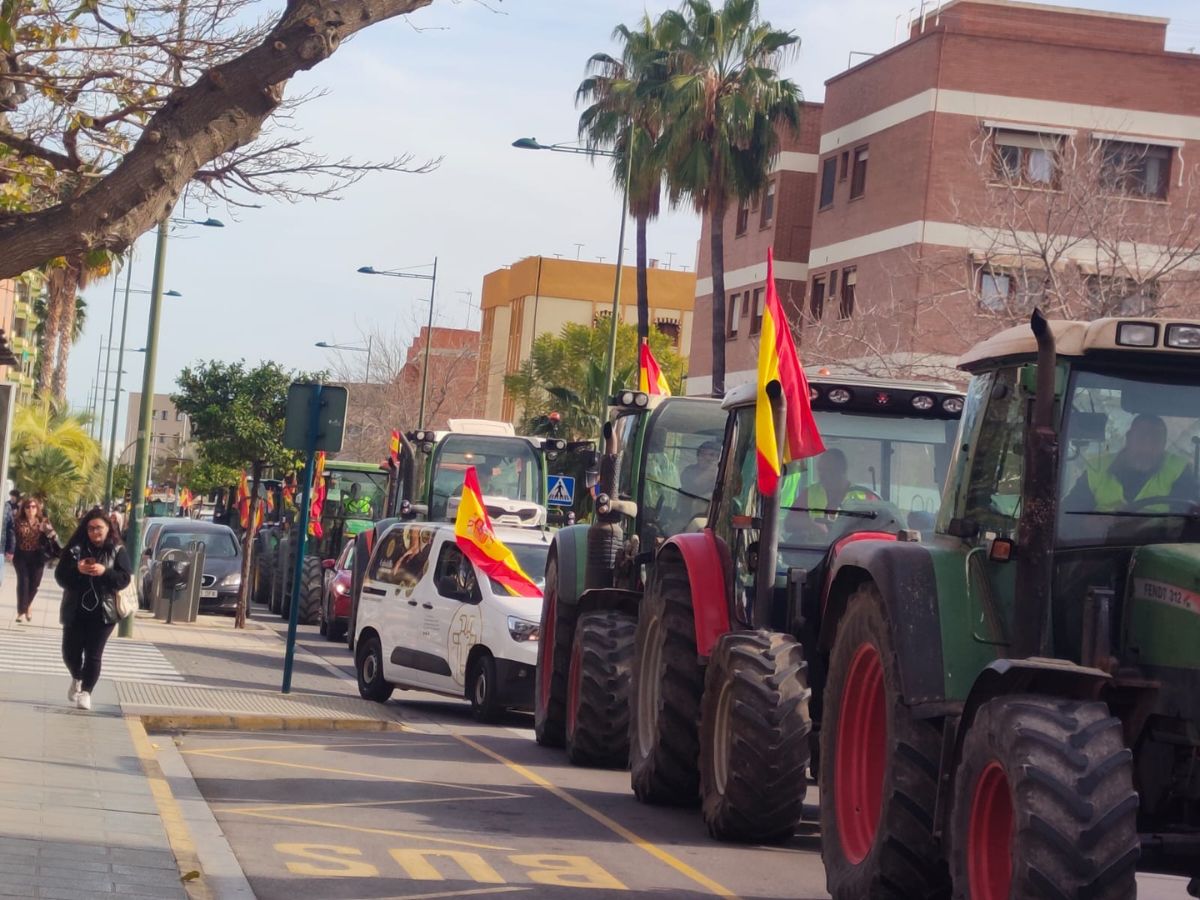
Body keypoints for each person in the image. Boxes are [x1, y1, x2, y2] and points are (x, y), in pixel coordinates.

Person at [54, 508, 132, 711]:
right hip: (76, 609)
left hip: (104, 612)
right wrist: (77, 570)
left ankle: (86, 692)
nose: (95, 533)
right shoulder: (76, 549)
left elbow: (124, 579)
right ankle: (77, 677)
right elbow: (60, 576)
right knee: (70, 652)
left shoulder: (117, 550)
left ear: (108, 528)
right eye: (90, 528)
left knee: (93, 654)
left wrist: (104, 572)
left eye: (99, 528)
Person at [1065, 413, 1198, 512]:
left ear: (1164, 444)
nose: (1147, 447)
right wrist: (1089, 524)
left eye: (1156, 439)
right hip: (1099, 543)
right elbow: (1069, 516)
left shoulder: (1179, 470)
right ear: (1128, 439)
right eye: (1141, 437)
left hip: (1158, 546)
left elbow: (1186, 521)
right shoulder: (1097, 468)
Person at [8, 497, 58, 623]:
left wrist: (45, 531)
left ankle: (28, 605)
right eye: (28, 507)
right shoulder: (18, 521)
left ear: (37, 508)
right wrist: (10, 551)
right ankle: (21, 612)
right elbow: (12, 536)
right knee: (23, 583)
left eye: (33, 507)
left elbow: (54, 537)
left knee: (34, 584)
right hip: (21, 556)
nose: (31, 509)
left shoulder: (43, 521)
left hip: (37, 556)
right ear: (23, 509)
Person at [793, 449, 879, 520]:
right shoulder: (810, 493)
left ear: (842, 470)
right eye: (820, 470)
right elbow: (789, 524)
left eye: (828, 470)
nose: (823, 475)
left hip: (850, 541)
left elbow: (879, 525)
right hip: (815, 541)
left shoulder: (865, 496)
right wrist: (811, 525)